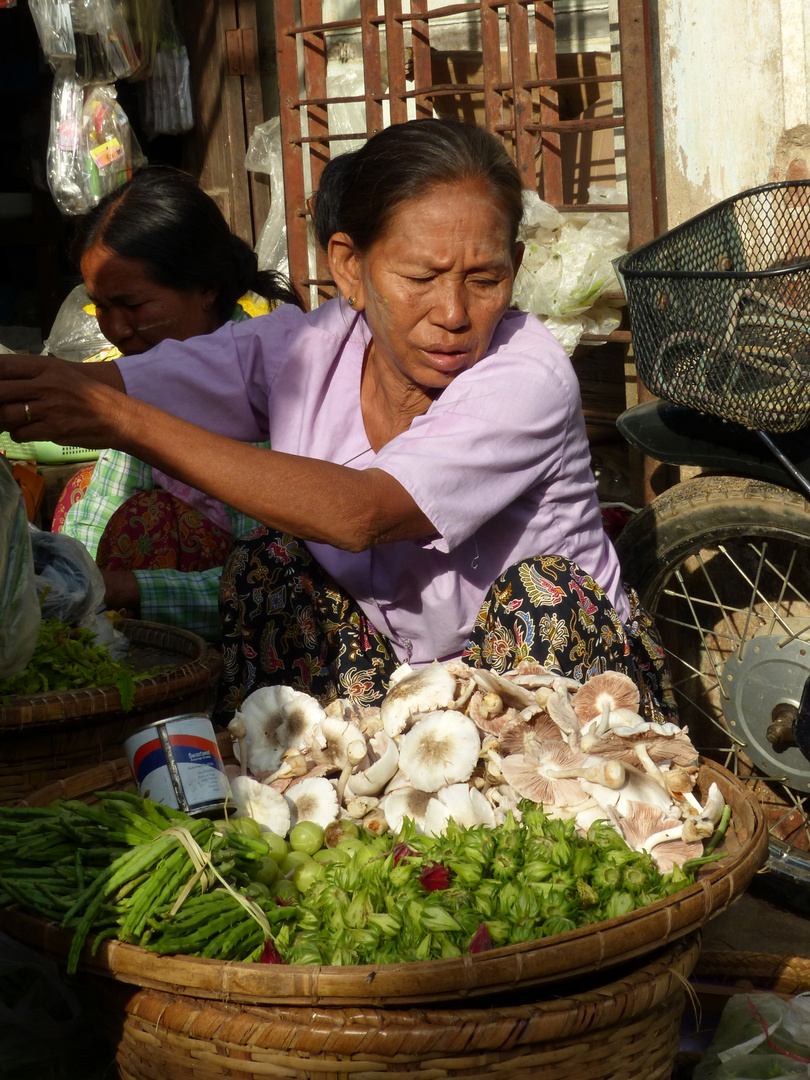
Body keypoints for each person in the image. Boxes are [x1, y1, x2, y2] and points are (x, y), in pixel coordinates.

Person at [0, 119, 672, 720]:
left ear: (514, 269)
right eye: (421, 277)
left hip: (556, 694)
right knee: (271, 565)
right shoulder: (305, 348)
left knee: (543, 592)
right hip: (409, 689)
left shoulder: (525, 373)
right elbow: (104, 387)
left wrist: (123, 419)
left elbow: (363, 514)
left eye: (485, 279)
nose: (454, 313)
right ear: (350, 267)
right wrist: (49, 395)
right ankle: (283, 783)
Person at [51, 166, 303, 639]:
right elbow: (98, 508)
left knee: (153, 520)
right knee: (77, 500)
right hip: (179, 589)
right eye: (101, 306)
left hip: (266, 618)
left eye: (134, 306)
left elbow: (274, 568)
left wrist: (122, 587)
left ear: (206, 289)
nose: (116, 328)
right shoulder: (141, 380)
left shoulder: (269, 383)